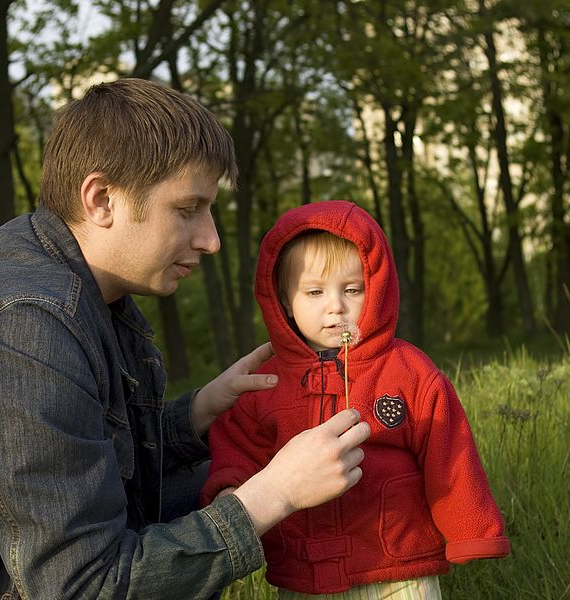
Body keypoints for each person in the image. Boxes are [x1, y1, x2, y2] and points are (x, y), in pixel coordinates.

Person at [0, 78, 369, 600]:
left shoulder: (75, 284)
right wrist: (275, 494)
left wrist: (198, 413)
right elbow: (84, 586)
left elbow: (82, 459)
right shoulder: (23, 325)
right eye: (187, 209)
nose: (211, 240)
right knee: (254, 479)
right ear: (102, 199)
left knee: (229, 464)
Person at [200, 201, 510, 598]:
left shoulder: (406, 370)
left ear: (376, 288)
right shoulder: (268, 382)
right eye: (314, 291)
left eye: (352, 289)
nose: (336, 306)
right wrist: (230, 491)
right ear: (283, 299)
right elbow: (237, 446)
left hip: (397, 565)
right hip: (304, 569)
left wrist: (472, 531)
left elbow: (448, 452)